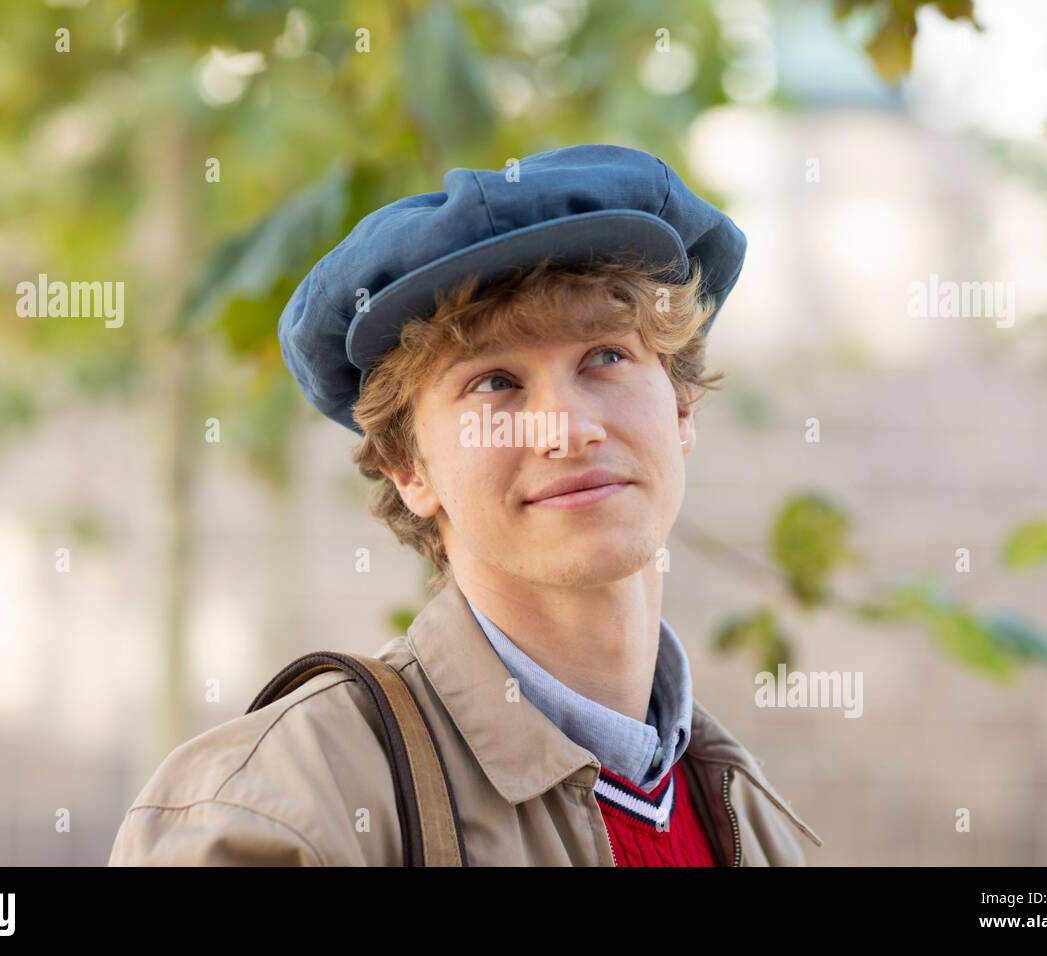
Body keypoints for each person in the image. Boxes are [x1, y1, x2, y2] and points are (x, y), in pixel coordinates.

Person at [108, 143, 823, 866]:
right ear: (408, 467)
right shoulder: (278, 810)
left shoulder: (756, 824)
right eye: (495, 384)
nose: (569, 431)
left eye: (605, 356)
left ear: (682, 407)